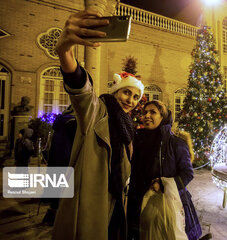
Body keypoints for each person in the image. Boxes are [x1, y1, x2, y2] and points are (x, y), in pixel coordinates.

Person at [52, 10, 145, 240]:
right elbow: (81, 90)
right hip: (91, 204)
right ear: (116, 91)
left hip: (116, 205)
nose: (130, 101)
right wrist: (64, 50)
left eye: (136, 97)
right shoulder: (99, 111)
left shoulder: (127, 127)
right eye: (126, 92)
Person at [127, 100, 202, 240]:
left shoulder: (175, 142)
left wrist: (163, 184)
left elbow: (187, 173)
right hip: (140, 202)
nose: (147, 115)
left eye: (153, 112)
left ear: (163, 117)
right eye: (145, 112)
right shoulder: (137, 139)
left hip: (168, 204)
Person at [42, 106, 76, 226]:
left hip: (56, 158)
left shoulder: (60, 121)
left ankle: (51, 214)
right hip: (66, 159)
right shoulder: (72, 123)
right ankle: (58, 219)